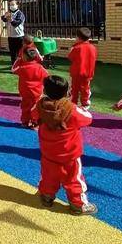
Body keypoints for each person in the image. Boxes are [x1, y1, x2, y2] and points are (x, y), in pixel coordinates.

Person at [32, 75, 96, 215]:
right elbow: (88, 118)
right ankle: (78, 205)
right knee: (74, 179)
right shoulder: (71, 109)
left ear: (45, 91)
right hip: (70, 154)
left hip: (48, 152)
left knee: (48, 176)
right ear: (67, 92)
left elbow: (33, 115)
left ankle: (47, 197)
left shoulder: (40, 106)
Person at [12, 48, 48, 128]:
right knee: (36, 108)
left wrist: (18, 60)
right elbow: (46, 75)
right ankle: (35, 123)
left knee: (25, 107)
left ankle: (25, 122)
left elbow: (13, 69)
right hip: (37, 92)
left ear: (24, 57)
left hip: (25, 92)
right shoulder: (40, 68)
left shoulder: (22, 68)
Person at [68, 27, 97, 110]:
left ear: (78, 37)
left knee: (74, 89)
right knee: (85, 89)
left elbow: (70, 57)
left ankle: (72, 105)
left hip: (76, 73)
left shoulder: (76, 48)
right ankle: (85, 104)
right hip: (88, 73)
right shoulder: (93, 47)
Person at [1, 0, 25, 66]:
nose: (11, 6)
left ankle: (21, 65)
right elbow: (3, 18)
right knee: (13, 53)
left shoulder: (20, 14)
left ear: (17, 5)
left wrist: (10, 19)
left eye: (13, 4)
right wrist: (5, 16)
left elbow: (16, 24)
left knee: (20, 53)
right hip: (11, 37)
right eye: (10, 5)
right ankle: (14, 66)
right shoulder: (9, 13)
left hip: (19, 37)